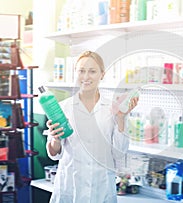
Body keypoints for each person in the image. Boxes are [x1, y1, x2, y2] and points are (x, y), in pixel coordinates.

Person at [45, 50, 139, 203]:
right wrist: (55, 139)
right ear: (75, 73)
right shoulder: (62, 108)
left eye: (92, 71)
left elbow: (119, 154)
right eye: (81, 71)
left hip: (101, 188)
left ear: (102, 74)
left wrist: (121, 118)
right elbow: (54, 154)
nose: (86, 77)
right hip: (70, 187)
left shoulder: (114, 109)